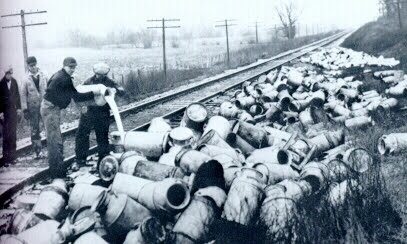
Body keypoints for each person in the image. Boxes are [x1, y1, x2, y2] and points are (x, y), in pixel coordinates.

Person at [41, 57, 105, 179]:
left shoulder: (60, 75)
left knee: (56, 140)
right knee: (55, 141)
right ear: (64, 66)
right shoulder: (63, 78)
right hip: (50, 109)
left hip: (51, 108)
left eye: (74, 67)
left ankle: (58, 170)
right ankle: (57, 173)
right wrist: (94, 93)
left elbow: (55, 89)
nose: (72, 69)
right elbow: (76, 96)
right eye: (70, 67)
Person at [73, 62, 124, 171]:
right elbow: (80, 92)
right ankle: (80, 160)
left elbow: (121, 90)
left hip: (102, 112)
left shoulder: (110, 82)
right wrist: (83, 104)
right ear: (95, 73)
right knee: (82, 135)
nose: (100, 77)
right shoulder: (89, 81)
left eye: (103, 75)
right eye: (98, 75)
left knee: (102, 137)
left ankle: (102, 161)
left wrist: (116, 90)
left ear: (106, 73)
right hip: (89, 111)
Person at [21, 56, 48, 159]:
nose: (33, 67)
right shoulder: (25, 79)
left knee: (47, 126)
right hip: (33, 108)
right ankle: (37, 151)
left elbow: (49, 88)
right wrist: (25, 109)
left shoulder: (44, 75)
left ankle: (51, 150)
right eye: (31, 66)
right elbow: (23, 95)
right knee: (35, 129)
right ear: (28, 66)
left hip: (45, 105)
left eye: (34, 65)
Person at [0, 67, 22, 167]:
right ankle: (5, 159)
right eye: (7, 74)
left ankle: (13, 157)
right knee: (6, 136)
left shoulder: (14, 82)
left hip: (13, 112)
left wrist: (19, 108)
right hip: (4, 113)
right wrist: (0, 113)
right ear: (5, 74)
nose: (9, 75)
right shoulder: (1, 83)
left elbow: (17, 96)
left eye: (11, 73)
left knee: (13, 134)